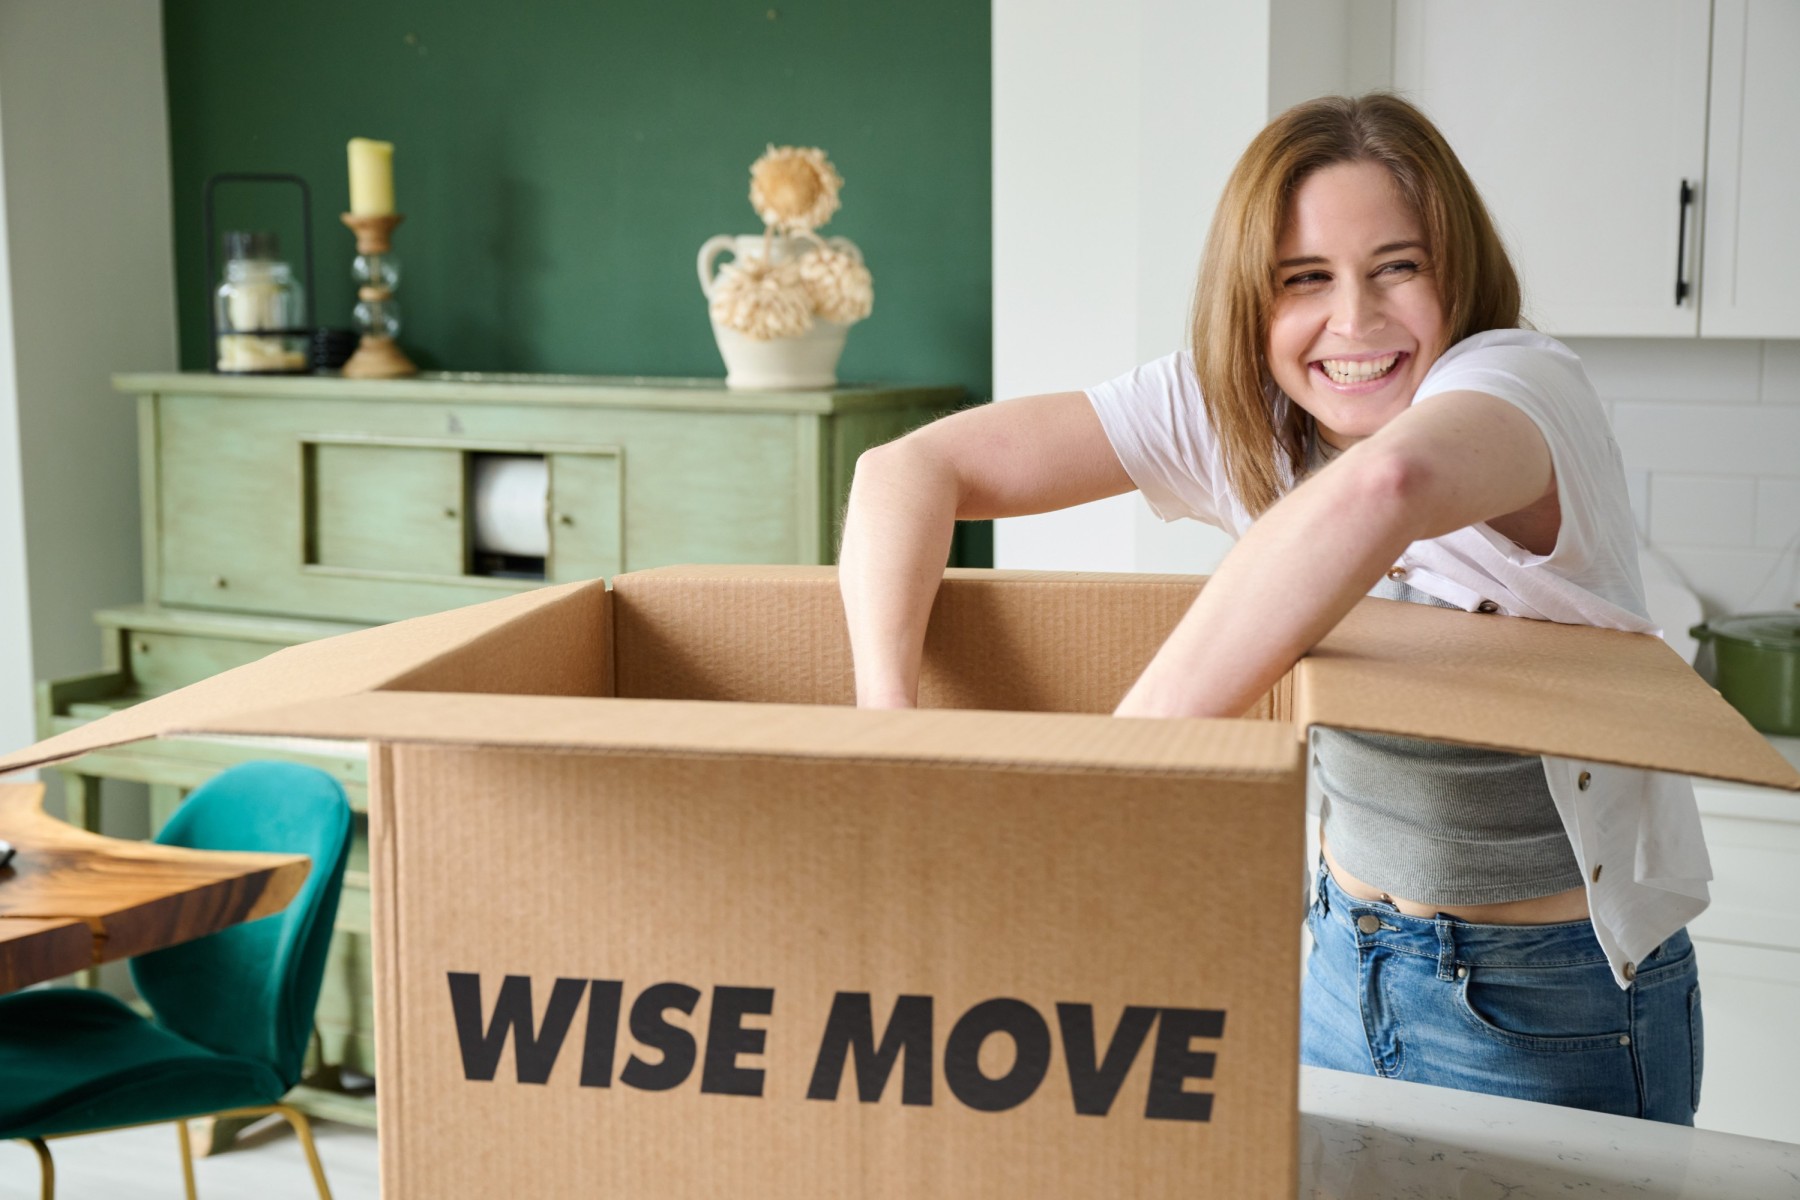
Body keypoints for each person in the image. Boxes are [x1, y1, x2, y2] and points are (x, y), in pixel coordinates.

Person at [836, 93, 1706, 1125]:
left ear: (1456, 272)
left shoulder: (1516, 382)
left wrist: (1090, 792)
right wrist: (890, 733)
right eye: (1305, 280)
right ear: (1251, 297)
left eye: (1400, 266)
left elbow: (1383, 490)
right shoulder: (1241, 406)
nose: (1356, 319)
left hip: (1547, 993)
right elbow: (907, 470)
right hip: (1342, 954)